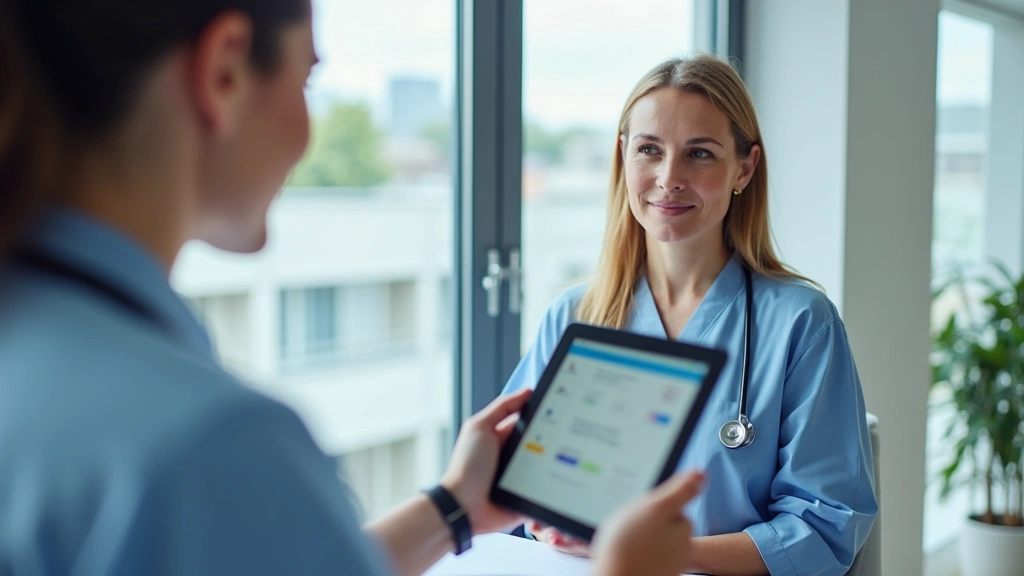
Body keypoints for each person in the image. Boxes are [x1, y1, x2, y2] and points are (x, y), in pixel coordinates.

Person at [0, 1, 706, 575]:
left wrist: (457, 506)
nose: (309, 131)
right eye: (309, 82)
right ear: (222, 72)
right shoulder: (206, 445)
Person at [504, 55, 879, 576]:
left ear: (744, 169)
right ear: (623, 157)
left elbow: (824, 528)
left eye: (699, 154)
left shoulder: (801, 323)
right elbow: (511, 487)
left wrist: (666, 554)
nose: (668, 178)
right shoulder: (573, 317)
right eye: (649, 150)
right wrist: (543, 519)